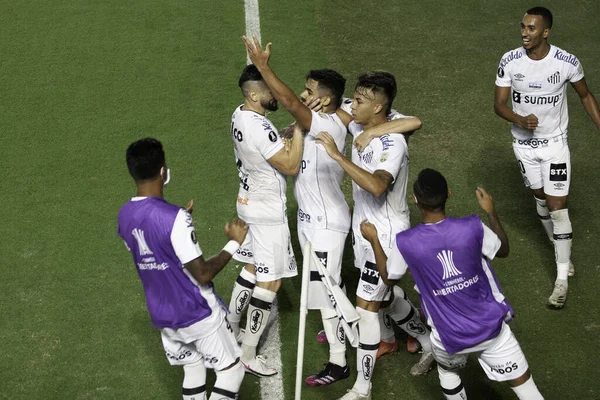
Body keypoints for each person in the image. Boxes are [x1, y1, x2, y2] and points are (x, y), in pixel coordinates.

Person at [362, 168, 544, 399]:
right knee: (526, 388)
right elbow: (503, 250)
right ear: (448, 193)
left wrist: (374, 239)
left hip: (448, 337)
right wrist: (491, 212)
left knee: (448, 370)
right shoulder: (472, 226)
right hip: (490, 331)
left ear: (415, 200)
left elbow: (389, 277)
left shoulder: (405, 242)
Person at [317, 71, 433, 400]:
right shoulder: (361, 119)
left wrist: (339, 156)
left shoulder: (392, 142)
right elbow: (330, 110)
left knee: (367, 306)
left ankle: (362, 388)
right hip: (364, 228)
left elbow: (379, 185)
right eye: (354, 96)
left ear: (380, 107)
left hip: (386, 234)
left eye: (362, 100)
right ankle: (424, 341)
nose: (354, 104)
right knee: (385, 296)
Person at [117, 138, 248, 400]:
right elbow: (202, 274)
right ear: (163, 171)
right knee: (232, 372)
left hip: (162, 313)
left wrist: (179, 221)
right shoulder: (174, 218)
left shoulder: (124, 216)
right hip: (194, 310)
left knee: (193, 367)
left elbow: (154, 249)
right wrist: (234, 243)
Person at [494, 6, 600, 308]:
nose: (524, 33)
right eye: (523, 27)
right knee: (540, 197)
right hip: (524, 146)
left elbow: (585, 95)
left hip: (554, 144)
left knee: (557, 207)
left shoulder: (566, 62)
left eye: (530, 28)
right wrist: (518, 118)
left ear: (545, 32)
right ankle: (559, 245)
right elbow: (498, 104)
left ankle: (561, 280)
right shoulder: (510, 61)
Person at [226, 64, 305, 377]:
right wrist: (298, 128)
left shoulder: (239, 114)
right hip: (266, 212)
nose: (276, 94)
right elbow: (290, 165)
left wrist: (283, 132)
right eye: (269, 91)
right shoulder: (260, 127)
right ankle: (247, 353)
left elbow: (264, 144)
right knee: (270, 280)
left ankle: (231, 326)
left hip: (247, 203)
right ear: (254, 94)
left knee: (252, 268)